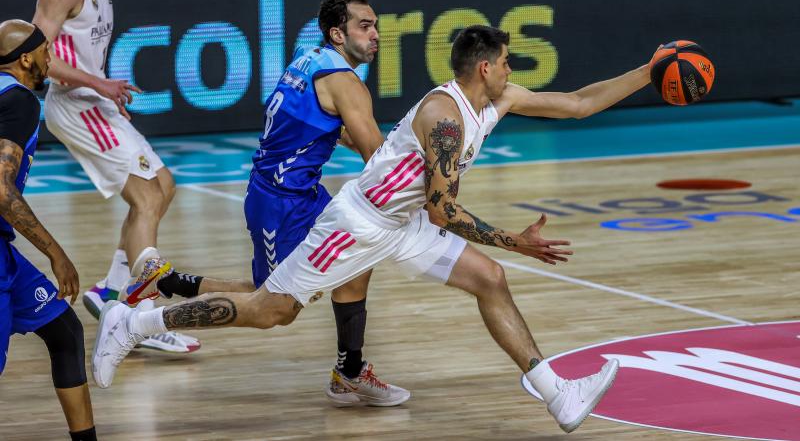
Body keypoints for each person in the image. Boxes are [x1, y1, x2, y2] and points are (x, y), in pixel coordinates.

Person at [94, 25, 655, 432]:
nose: (512, 69)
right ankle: (136, 321)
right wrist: (518, 240)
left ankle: (557, 395)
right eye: (506, 61)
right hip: (359, 224)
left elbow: (579, 104)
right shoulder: (444, 117)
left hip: (402, 223)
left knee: (489, 278)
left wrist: (650, 72)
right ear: (484, 67)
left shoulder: (500, 98)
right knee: (272, 310)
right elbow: (445, 212)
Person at [152, 0, 409, 406]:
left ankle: (350, 371)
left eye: (375, 25)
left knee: (356, 262)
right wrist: (418, 188)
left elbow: (319, 124)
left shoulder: (309, 60)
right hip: (278, 200)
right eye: (365, 26)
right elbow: (377, 160)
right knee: (274, 306)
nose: (375, 34)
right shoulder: (344, 81)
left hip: (303, 194)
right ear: (338, 34)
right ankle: (144, 316)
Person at [31, 0, 198, 353]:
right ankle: (138, 320)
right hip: (74, 107)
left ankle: (108, 294)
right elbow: (37, 56)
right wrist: (99, 85)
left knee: (164, 186)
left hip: (95, 104)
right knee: (145, 198)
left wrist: (105, 93)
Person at [0, 19, 96, 441]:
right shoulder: (19, 100)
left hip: (5, 254)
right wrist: (56, 252)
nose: (50, 57)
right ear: (25, 58)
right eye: (44, 51)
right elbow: (1, 192)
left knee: (63, 329)